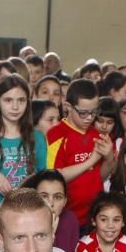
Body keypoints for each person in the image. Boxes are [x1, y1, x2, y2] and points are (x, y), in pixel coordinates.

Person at [46, 78, 112, 225]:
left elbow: (100, 177)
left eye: (94, 112)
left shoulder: (96, 134)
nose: (89, 118)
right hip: (66, 217)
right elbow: (54, 177)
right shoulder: (56, 135)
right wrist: (90, 161)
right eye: (83, 113)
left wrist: (108, 158)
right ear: (68, 107)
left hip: (94, 216)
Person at [0, 75, 47, 212]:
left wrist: (31, 181)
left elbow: (43, 174)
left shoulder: (37, 137)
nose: (15, 107)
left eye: (21, 100)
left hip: (30, 205)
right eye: (8, 100)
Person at [22, 169, 79, 252]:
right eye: (44, 196)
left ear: (64, 201)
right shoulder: (22, 221)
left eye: (57, 197)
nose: (50, 203)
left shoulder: (70, 220)